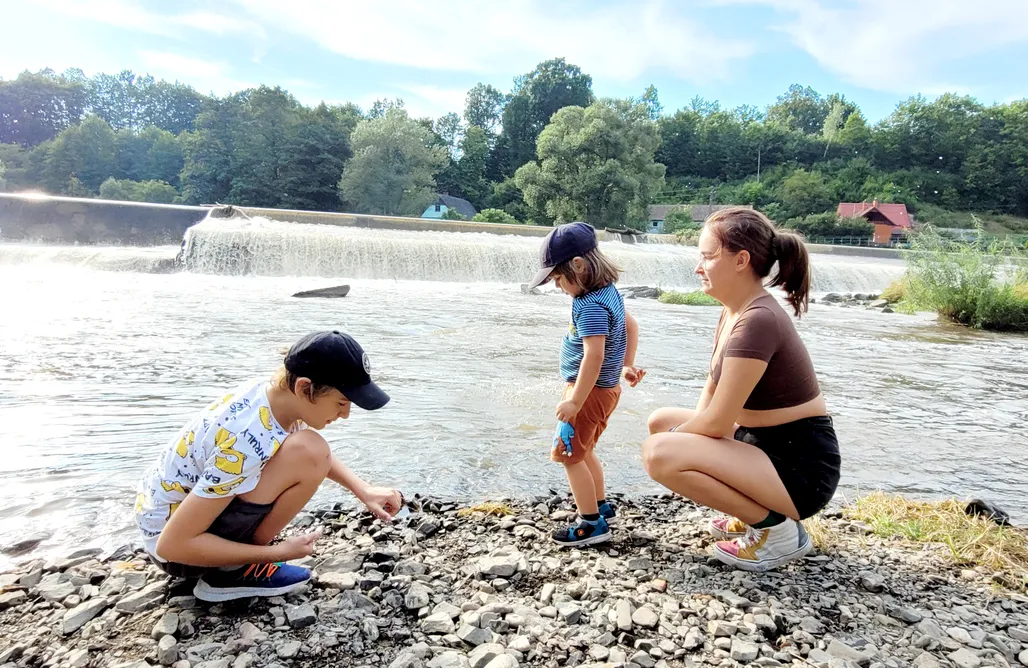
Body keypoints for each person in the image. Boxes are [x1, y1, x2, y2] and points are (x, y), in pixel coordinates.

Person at [134, 330, 403, 602]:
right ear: (303, 387)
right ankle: (230, 572)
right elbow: (172, 546)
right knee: (310, 448)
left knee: (309, 449)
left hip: (174, 528)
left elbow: (310, 458)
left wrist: (363, 490)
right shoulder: (244, 439)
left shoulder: (272, 397)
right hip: (180, 553)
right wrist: (279, 553)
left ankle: (233, 564)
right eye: (342, 402)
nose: (345, 414)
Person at [641, 207, 840, 571]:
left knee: (659, 453)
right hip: (761, 445)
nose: (697, 267)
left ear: (741, 260)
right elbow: (710, 403)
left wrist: (679, 443)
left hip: (800, 468)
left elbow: (715, 424)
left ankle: (776, 530)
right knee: (660, 422)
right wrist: (681, 436)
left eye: (706, 256)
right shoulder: (733, 311)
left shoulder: (758, 320)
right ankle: (753, 512)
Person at [526, 222, 646, 547]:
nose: (557, 287)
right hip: (605, 390)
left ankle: (591, 523)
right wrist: (628, 364)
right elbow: (630, 325)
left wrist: (575, 401)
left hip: (588, 392)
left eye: (558, 279)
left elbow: (593, 356)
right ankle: (601, 505)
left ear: (578, 266)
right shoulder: (609, 293)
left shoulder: (589, 304)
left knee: (569, 456)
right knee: (585, 449)